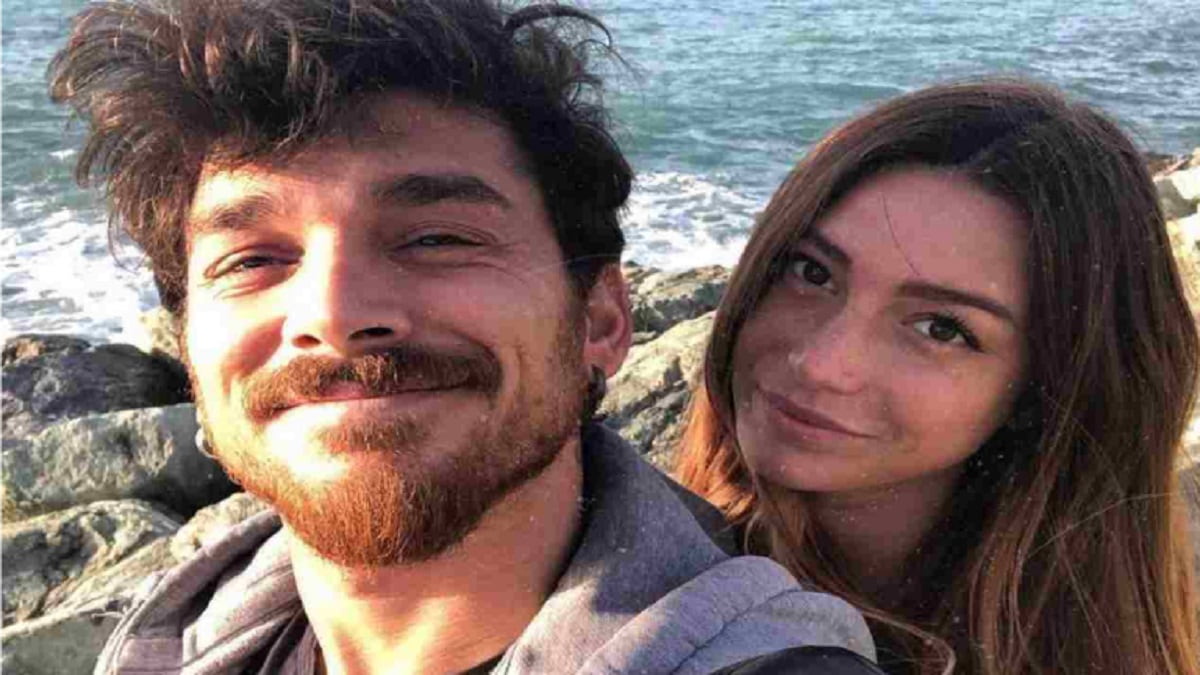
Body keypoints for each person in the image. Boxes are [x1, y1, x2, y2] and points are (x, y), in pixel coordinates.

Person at [49, 1, 882, 673]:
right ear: (189, 348)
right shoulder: (168, 637)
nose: (332, 314)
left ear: (600, 320)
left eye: (437, 238)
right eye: (255, 259)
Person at [676, 80, 1200, 674]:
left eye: (941, 329)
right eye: (812, 272)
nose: (822, 363)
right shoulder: (634, 564)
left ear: (1046, 392)